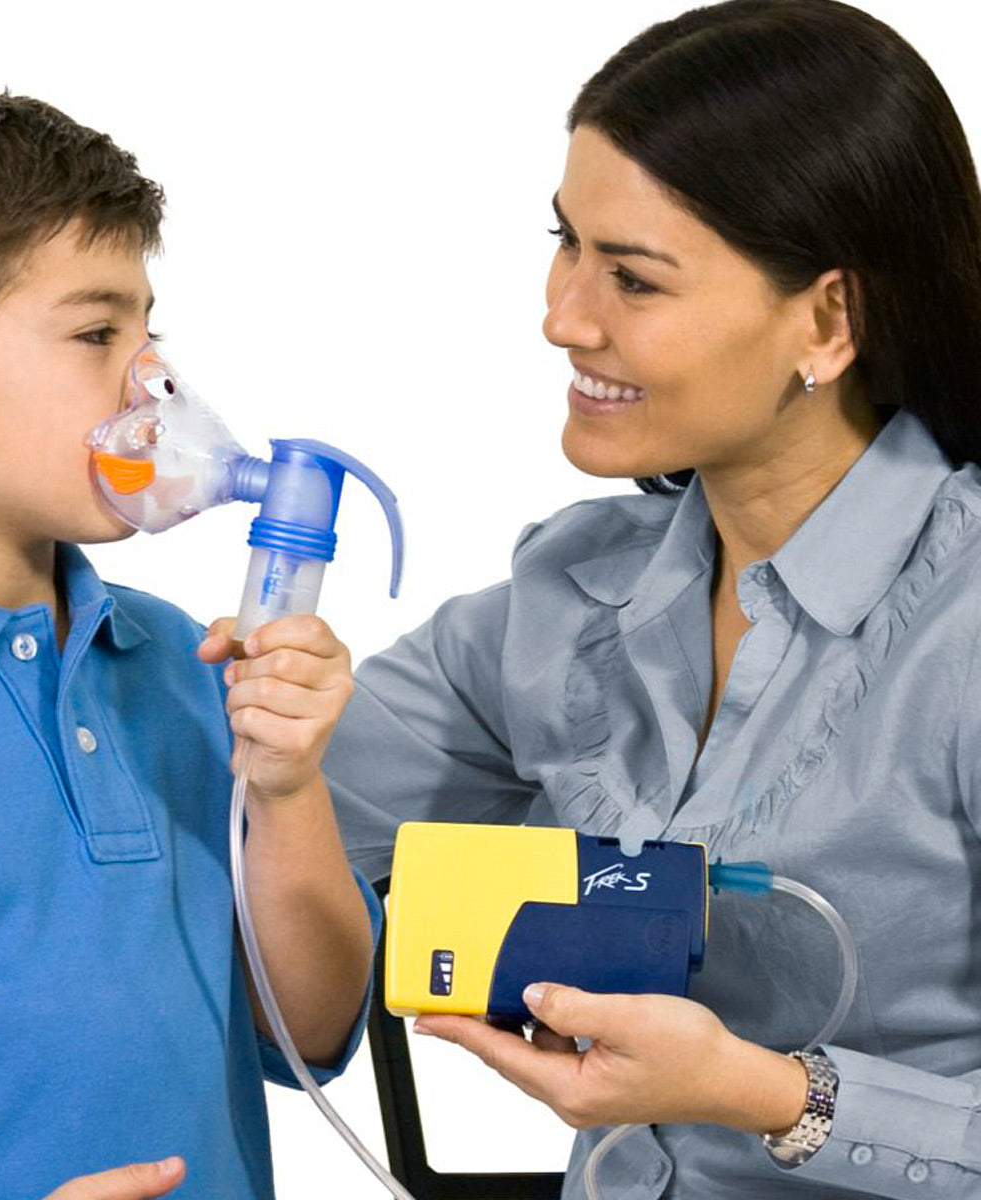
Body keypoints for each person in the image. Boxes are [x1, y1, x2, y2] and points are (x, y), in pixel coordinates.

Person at [321, 1, 981, 1196]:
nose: (562, 315)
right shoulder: (565, 600)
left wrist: (766, 1093)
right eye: (566, 241)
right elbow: (243, 832)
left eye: (631, 276)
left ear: (828, 319)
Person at [0, 82, 379, 1200]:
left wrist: (288, 788)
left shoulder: (173, 662)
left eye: (154, 337)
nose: (152, 383)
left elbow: (310, 1025)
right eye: (98, 332)